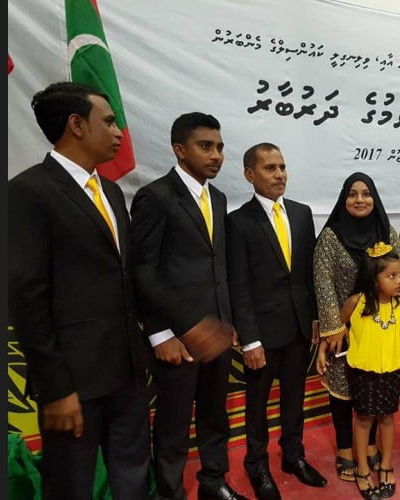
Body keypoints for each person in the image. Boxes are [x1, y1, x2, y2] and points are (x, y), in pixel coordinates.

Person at [7, 81, 151, 499]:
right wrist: (56, 389)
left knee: (133, 480)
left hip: (127, 373)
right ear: (76, 125)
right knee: (70, 486)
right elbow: (28, 297)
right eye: (109, 122)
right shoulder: (28, 192)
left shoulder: (111, 192)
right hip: (73, 385)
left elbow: (128, 276)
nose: (119, 132)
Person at [130, 112, 247, 500]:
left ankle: (214, 482)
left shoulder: (218, 198)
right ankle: (170, 493)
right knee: (173, 424)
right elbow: (143, 271)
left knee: (215, 416)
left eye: (220, 147)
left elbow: (217, 267)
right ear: (179, 150)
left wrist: (227, 321)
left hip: (216, 333)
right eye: (205, 146)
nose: (216, 155)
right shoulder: (156, 197)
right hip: (177, 338)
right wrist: (161, 334)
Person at [226, 143, 327, 499]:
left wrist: (314, 318)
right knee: (257, 405)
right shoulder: (238, 222)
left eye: (282, 167)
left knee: (294, 398)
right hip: (262, 335)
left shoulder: (301, 213)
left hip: (298, 327)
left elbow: (308, 273)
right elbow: (238, 285)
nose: (279, 174)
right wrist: (250, 339)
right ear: (249, 174)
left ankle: (294, 456)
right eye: (270, 168)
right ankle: (257, 464)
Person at [313, 172, 400, 484]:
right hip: (344, 327)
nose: (359, 200)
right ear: (343, 198)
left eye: (366, 194)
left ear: (375, 198)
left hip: (381, 326)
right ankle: (345, 448)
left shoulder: (385, 231)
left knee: (375, 386)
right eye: (352, 194)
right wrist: (333, 328)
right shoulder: (331, 236)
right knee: (343, 390)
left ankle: (371, 443)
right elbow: (323, 282)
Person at [339, 243, 400, 499]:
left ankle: (386, 466)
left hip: (391, 371)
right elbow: (338, 326)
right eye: (391, 276)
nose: (399, 281)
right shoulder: (356, 303)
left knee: (387, 418)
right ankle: (362, 469)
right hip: (364, 373)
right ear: (374, 279)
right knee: (363, 420)